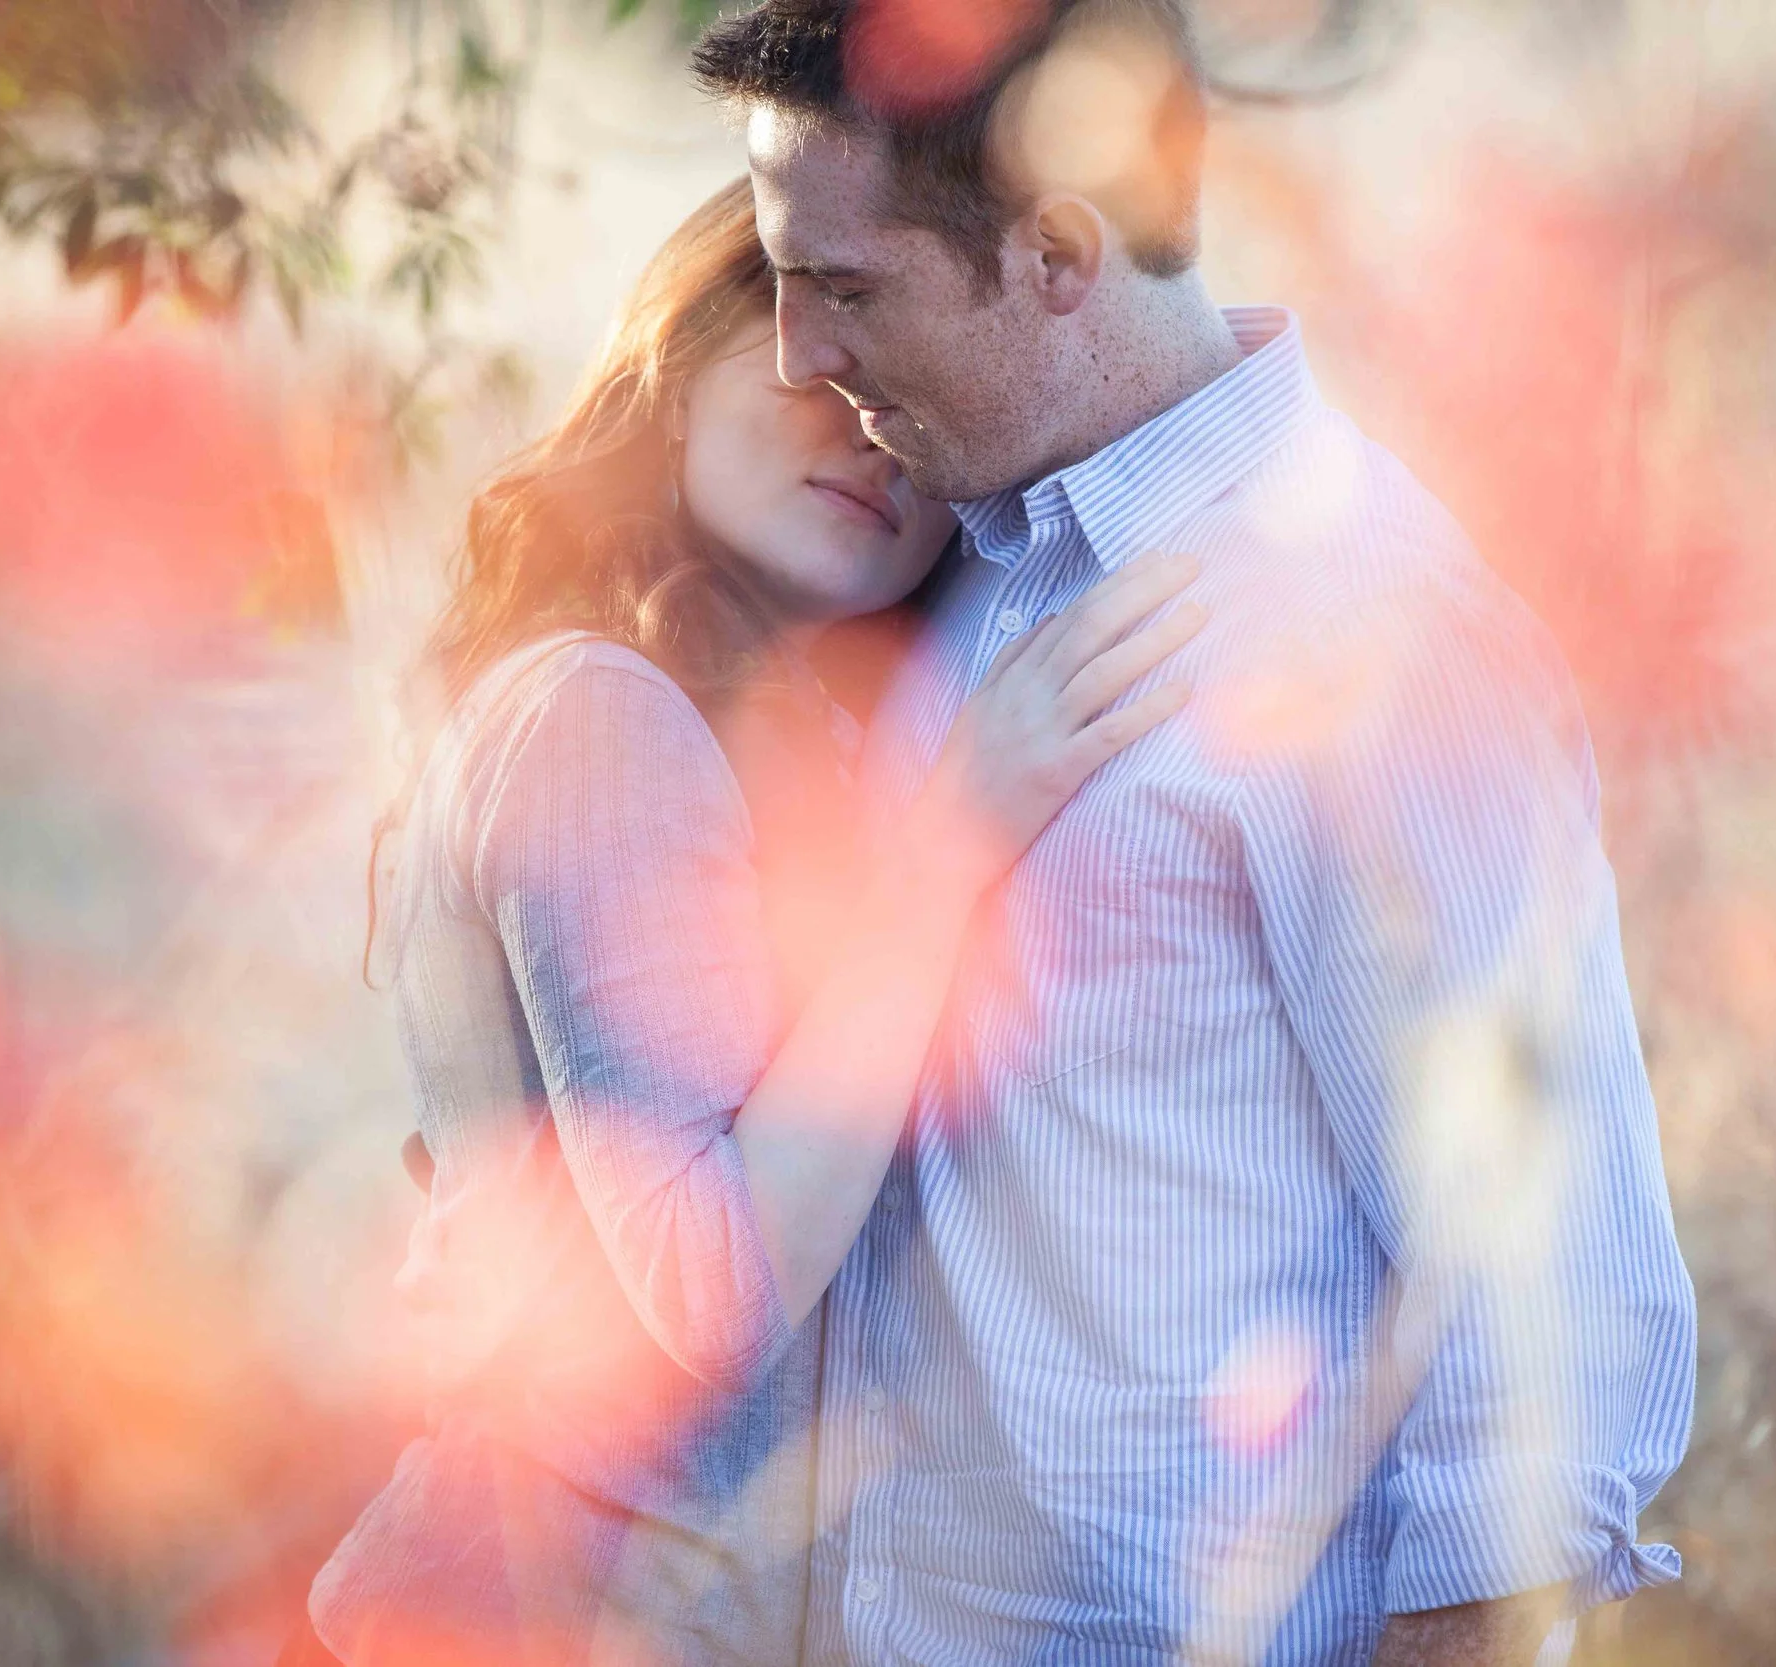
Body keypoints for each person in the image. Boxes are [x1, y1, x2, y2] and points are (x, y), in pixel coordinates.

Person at [689, 3, 1700, 1664]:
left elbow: (1547, 1349)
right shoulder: (975, 566)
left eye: (847, 287)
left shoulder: (1369, 631)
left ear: (1065, 253)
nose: (797, 352)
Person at [293, 178, 1204, 1666]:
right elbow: (709, 1293)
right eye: (829, 355)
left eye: (916, 414)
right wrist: (953, 840)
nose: (871, 441)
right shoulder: (600, 711)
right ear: (684, 357)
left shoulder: (762, 756)